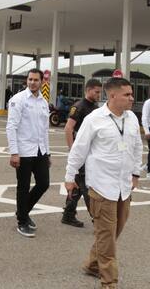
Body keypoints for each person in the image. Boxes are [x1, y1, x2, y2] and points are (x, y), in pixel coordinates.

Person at [65, 77, 143, 289]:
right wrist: (70, 177)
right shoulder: (94, 119)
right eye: (127, 94)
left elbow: (137, 146)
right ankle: (109, 282)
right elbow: (78, 150)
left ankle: (92, 264)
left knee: (112, 232)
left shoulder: (132, 118)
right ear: (113, 95)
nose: (132, 98)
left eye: (131, 94)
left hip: (124, 187)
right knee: (107, 236)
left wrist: (136, 173)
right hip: (101, 187)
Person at [6, 68, 51, 238]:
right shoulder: (18, 100)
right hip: (24, 151)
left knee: (44, 183)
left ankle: (22, 211)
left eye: (36, 80)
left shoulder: (43, 102)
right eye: (30, 79)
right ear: (27, 80)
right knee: (23, 187)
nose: (32, 82)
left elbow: (45, 130)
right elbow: (11, 127)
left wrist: (48, 153)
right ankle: (22, 221)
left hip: (40, 151)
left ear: (42, 82)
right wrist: (14, 152)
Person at [61, 78, 102, 227]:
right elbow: (68, 128)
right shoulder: (79, 106)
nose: (99, 95)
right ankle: (97, 219)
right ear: (88, 90)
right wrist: (72, 150)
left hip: (91, 152)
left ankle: (68, 214)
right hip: (81, 153)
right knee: (86, 186)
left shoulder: (95, 107)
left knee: (78, 184)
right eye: (96, 92)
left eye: (100, 92)